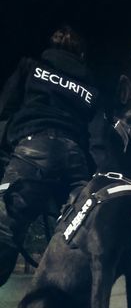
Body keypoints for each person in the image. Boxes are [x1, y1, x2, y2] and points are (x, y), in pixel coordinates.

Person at [0, 25, 105, 286]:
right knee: (77, 236)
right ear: (81, 53)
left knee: (5, 229)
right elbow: (97, 135)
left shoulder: (30, 66)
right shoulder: (90, 85)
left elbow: (5, 108)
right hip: (75, 159)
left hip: (32, 150)